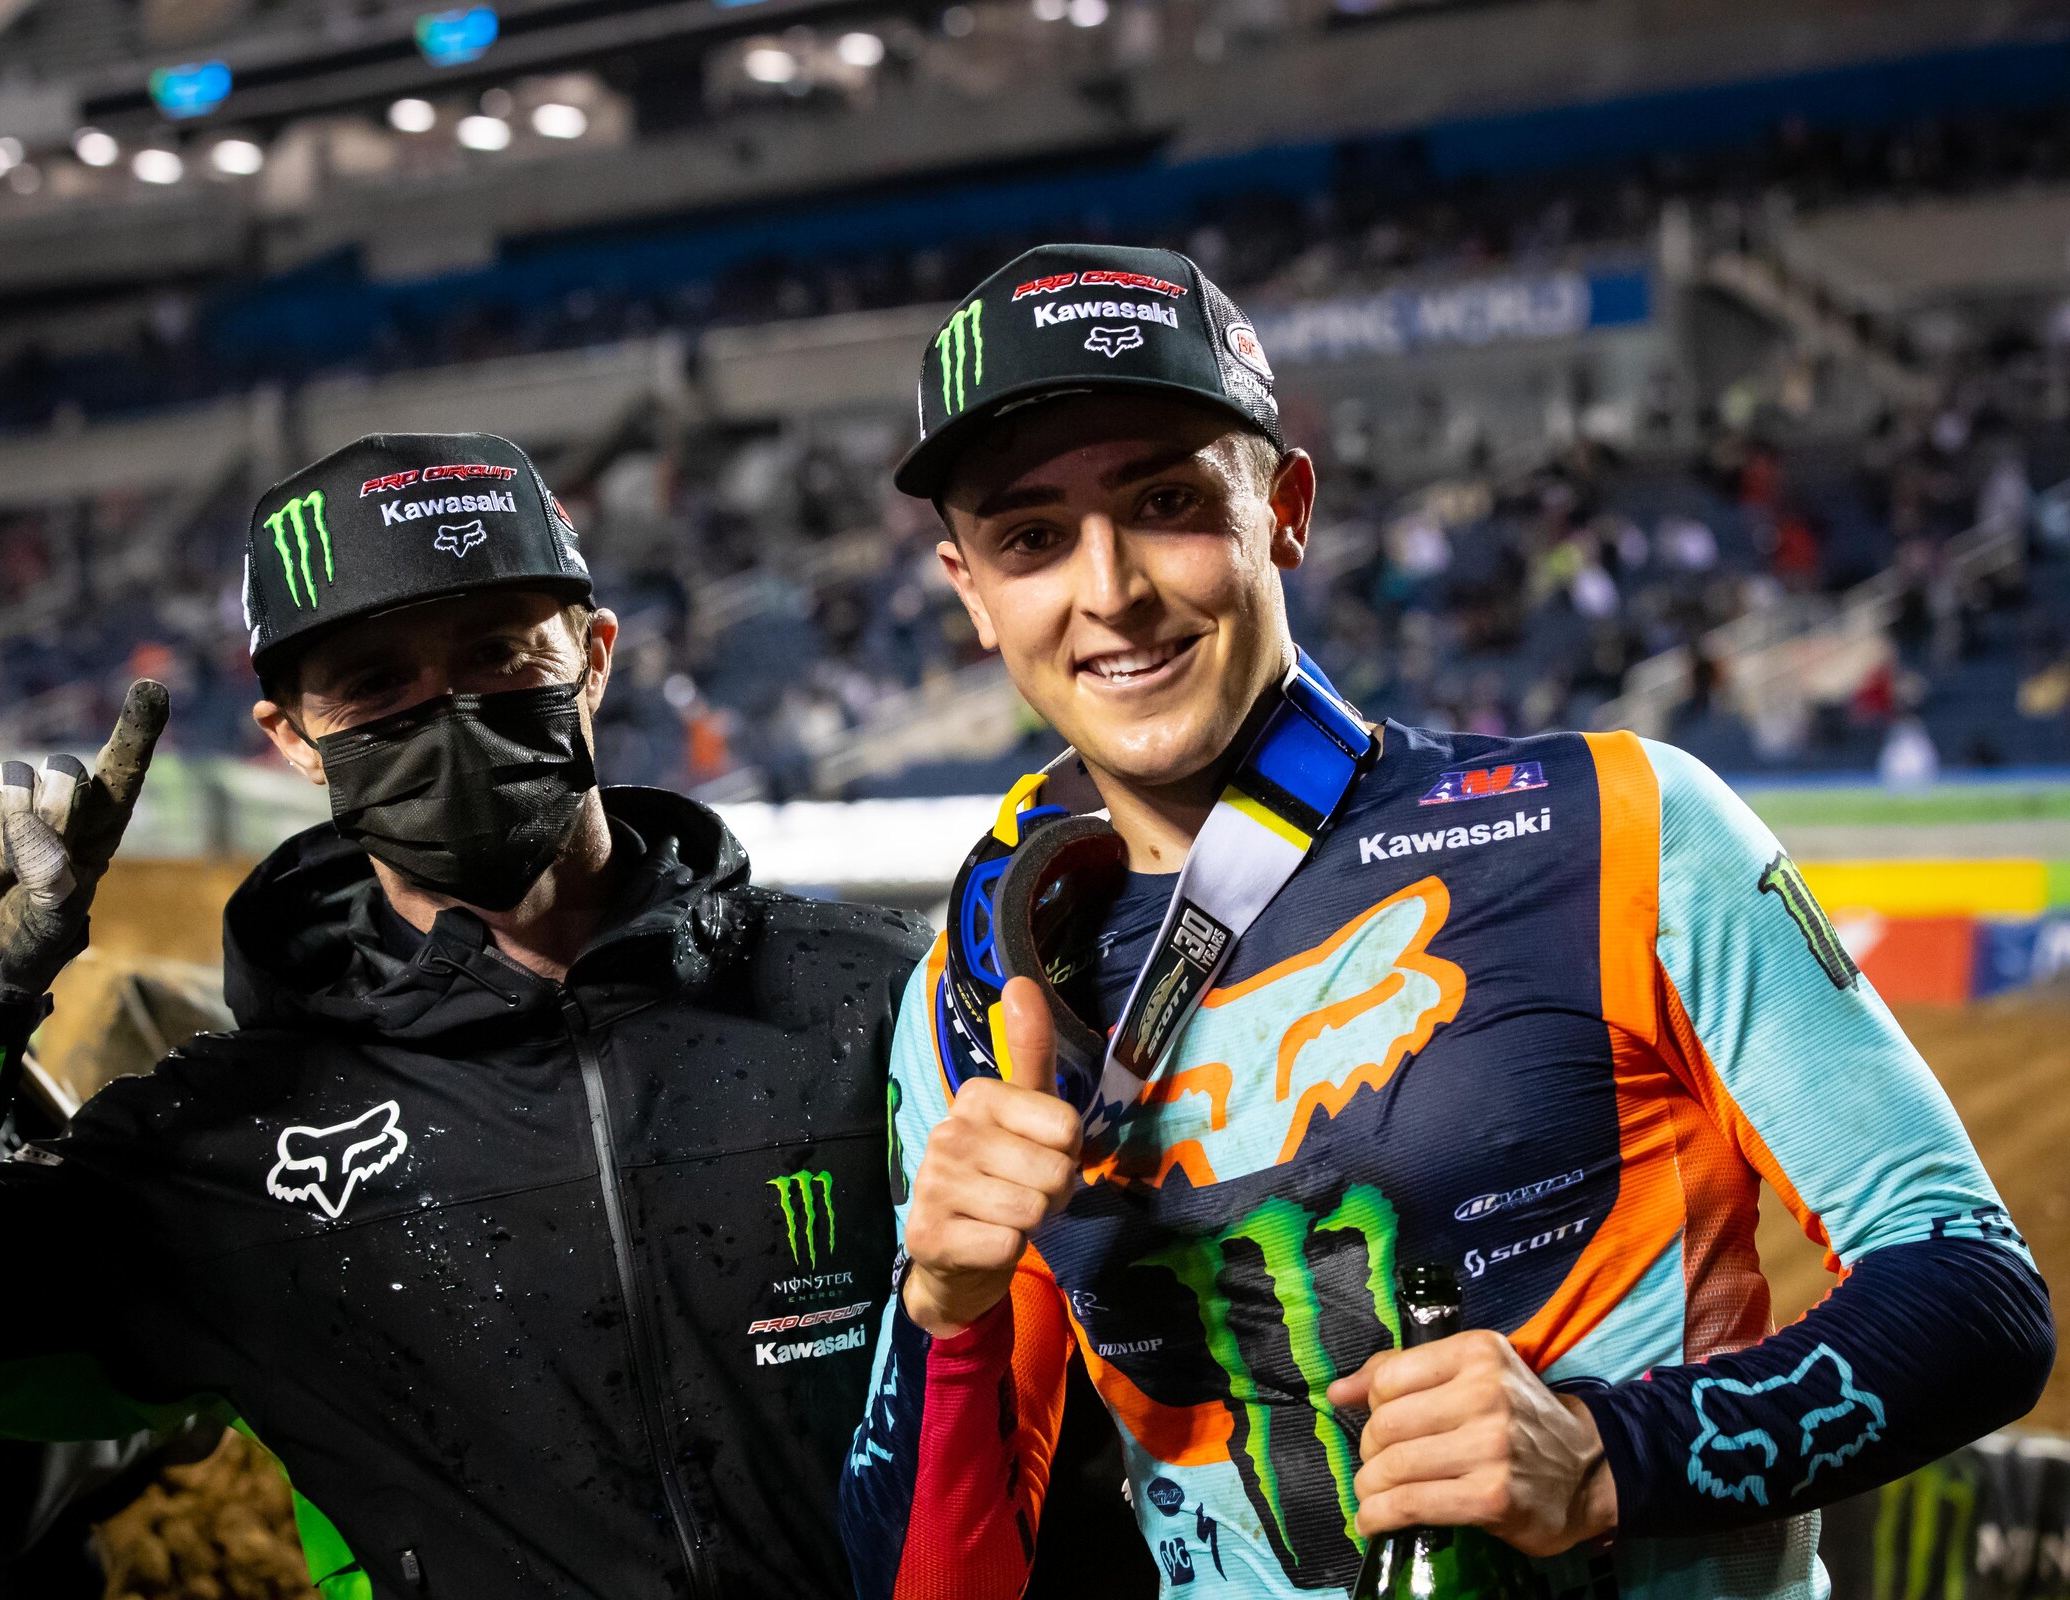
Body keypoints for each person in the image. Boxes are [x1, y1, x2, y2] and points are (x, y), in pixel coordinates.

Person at [837, 244, 2054, 1599]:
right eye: (1030, 539)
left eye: (1168, 502)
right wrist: (941, 1315)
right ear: (968, 589)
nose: (1109, 589)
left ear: (1285, 508)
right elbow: (931, 1577)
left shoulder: (1618, 824)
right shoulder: (975, 983)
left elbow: (1977, 1295)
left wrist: (1604, 1455)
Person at [0, 433, 931, 1599]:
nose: (453, 713)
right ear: (289, 738)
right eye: (378, 682)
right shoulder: (224, 1147)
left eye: (496, 652)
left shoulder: (868, 995)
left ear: (593, 657)